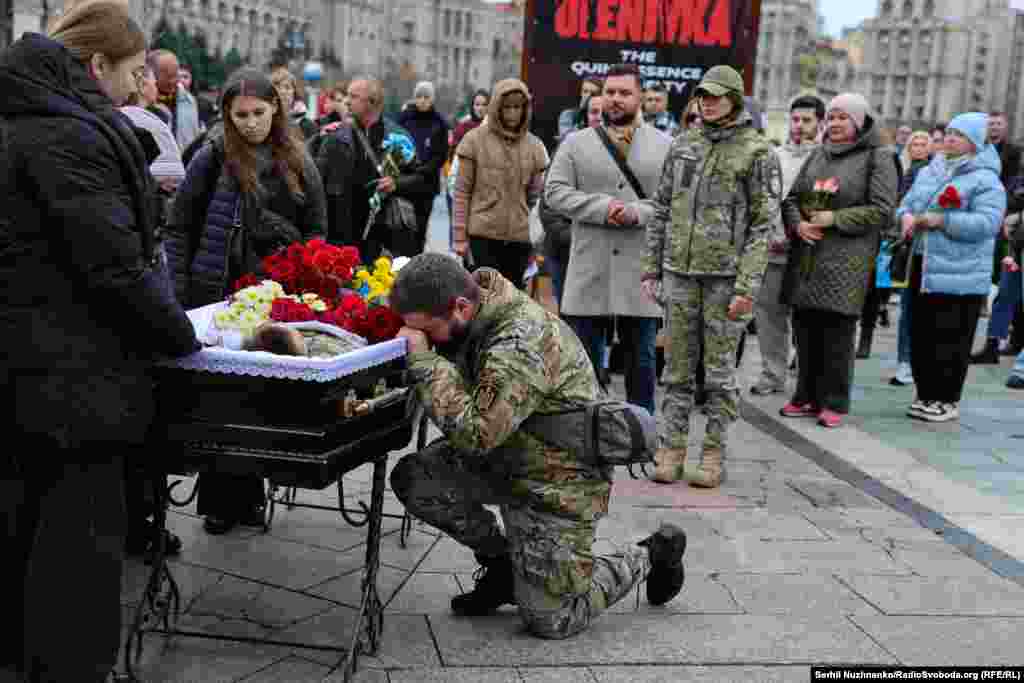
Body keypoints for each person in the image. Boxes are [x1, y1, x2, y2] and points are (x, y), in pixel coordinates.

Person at [0, 3, 201, 678]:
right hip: (71, 383)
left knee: (25, 539)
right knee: (76, 555)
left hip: (25, 372)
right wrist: (180, 332)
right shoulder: (72, 136)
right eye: (134, 71)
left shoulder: (22, 116)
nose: (140, 86)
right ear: (96, 67)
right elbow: (115, 266)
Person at [387, 253, 688, 637]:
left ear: (460, 307)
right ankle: (504, 570)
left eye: (427, 330)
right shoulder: (474, 314)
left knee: (553, 619)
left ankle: (652, 553)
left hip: (560, 476)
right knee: (417, 477)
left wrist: (426, 363)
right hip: (511, 453)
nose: (421, 339)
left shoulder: (519, 340)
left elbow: (477, 433)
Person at [165, 69, 327, 532]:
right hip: (216, 293)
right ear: (227, 114)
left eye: (258, 112)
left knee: (261, 397)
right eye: (241, 115)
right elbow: (179, 226)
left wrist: (305, 284)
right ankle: (218, 503)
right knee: (221, 401)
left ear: (275, 108)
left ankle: (251, 495)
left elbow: (317, 231)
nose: (251, 122)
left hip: (273, 297)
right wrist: (179, 291)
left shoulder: (297, 157)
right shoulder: (213, 153)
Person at [642, 65, 780, 486]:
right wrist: (651, 268)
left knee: (719, 375)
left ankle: (713, 455)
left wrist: (748, 287)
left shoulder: (758, 153)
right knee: (676, 370)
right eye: (703, 94)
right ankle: (670, 450)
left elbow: (763, 226)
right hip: (680, 275)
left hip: (726, 280)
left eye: (717, 95)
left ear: (735, 99)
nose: (708, 101)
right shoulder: (683, 145)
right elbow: (661, 209)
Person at [546, 64, 667, 414]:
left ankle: (642, 429)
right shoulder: (575, 142)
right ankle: (584, 426)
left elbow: (675, 199)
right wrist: (601, 207)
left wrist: (637, 213)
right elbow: (554, 193)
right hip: (590, 265)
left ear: (640, 97)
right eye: (610, 92)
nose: (615, 99)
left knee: (641, 358)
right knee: (583, 356)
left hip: (638, 269)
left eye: (624, 92)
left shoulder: (664, 146)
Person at [779, 93, 897, 429]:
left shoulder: (879, 157)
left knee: (837, 334)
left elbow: (882, 210)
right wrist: (798, 224)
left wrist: (835, 219)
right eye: (830, 117)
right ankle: (805, 396)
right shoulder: (818, 154)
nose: (833, 124)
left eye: (842, 118)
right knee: (805, 331)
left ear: (859, 122)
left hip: (846, 261)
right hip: (808, 256)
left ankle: (834, 401)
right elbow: (792, 200)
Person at [896, 113, 1006, 421]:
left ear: (975, 142)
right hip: (924, 265)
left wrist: (943, 221)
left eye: (960, 134)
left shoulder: (985, 179)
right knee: (921, 333)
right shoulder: (932, 170)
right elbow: (907, 204)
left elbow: (988, 223)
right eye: (950, 132)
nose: (951, 138)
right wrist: (904, 216)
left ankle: (946, 398)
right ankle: (925, 392)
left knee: (951, 337)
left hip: (962, 272)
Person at [751, 94, 824, 396]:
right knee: (769, 314)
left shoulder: (825, 159)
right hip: (773, 248)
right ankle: (773, 373)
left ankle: (809, 379)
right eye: (795, 119)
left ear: (820, 123)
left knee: (807, 318)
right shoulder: (773, 156)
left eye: (807, 120)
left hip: (811, 251)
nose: (799, 126)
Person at [312, 76, 428, 257]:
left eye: (354, 96)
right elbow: (316, 183)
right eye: (347, 96)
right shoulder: (335, 136)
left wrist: (396, 184)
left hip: (383, 239)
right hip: (341, 237)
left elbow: (421, 181)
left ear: (372, 103)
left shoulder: (398, 137)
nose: (346, 101)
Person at [452, 78, 548, 285]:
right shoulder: (474, 140)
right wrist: (459, 237)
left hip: (519, 240)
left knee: (512, 304)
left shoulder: (534, 146)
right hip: (481, 237)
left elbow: (535, 198)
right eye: (507, 107)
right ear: (496, 107)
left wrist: (534, 239)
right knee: (481, 301)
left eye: (518, 107)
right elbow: (461, 191)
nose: (513, 113)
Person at [970, 110, 1024, 363]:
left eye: (998, 124)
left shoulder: (1013, 154)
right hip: (1016, 241)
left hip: (1014, 233)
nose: (993, 128)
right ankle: (994, 345)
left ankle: (1015, 342)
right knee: (1004, 294)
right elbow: (1015, 194)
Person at [889, 130, 934, 387]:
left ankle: (911, 362)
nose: (917, 147)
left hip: (923, 247)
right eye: (913, 143)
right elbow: (903, 205)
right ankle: (905, 362)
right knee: (907, 307)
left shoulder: (926, 172)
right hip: (907, 243)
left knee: (917, 311)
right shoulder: (907, 169)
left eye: (923, 143)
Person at [855, 127, 903, 359]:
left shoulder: (887, 156)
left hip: (880, 233)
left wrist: (890, 229)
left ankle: (866, 337)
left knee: (874, 289)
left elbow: (894, 195)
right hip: (855, 230)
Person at [398, 81, 451, 241]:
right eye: (419, 96)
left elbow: (441, 154)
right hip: (405, 181)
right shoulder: (405, 119)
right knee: (404, 227)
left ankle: (418, 257)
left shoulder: (439, 123)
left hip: (427, 184)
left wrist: (425, 169)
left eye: (426, 97)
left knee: (421, 228)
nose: (422, 100)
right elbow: (396, 143)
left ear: (432, 99)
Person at [153, 48, 203, 149]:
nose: (173, 81)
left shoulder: (190, 102)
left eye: (175, 75)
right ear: (153, 74)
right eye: (167, 76)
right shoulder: (141, 102)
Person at [270, 64, 318, 140]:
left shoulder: (307, 125)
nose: (283, 92)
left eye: (287, 88)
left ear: (294, 92)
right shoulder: (266, 123)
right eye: (278, 88)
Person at [558, 77, 603, 142]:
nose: (588, 96)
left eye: (593, 94)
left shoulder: (604, 115)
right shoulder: (568, 114)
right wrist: (581, 112)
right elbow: (568, 139)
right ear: (581, 92)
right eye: (585, 91)